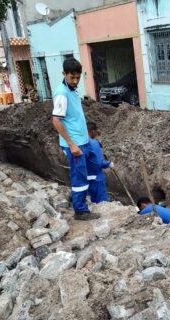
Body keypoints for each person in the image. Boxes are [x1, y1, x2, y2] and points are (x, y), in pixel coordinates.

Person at [51, 58, 100, 221]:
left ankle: (81, 197)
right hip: (75, 144)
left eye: (78, 78)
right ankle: (80, 210)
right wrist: (71, 144)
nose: (75, 81)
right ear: (64, 74)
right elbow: (56, 120)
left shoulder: (73, 89)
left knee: (91, 168)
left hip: (83, 141)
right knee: (79, 176)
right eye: (72, 77)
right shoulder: (62, 93)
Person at [86, 121, 114, 203]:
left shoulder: (79, 143)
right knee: (102, 203)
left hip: (86, 179)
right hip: (97, 179)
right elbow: (99, 163)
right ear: (93, 131)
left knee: (93, 202)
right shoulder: (93, 143)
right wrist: (109, 164)